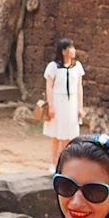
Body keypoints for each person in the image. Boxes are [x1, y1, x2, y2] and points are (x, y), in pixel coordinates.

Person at [43, 38, 84, 166]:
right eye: (71, 48)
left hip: (71, 102)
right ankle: (54, 162)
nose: (74, 51)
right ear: (64, 51)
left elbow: (79, 87)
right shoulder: (53, 66)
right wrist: (51, 105)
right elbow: (49, 86)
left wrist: (80, 106)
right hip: (58, 100)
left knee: (68, 134)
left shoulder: (77, 66)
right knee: (56, 134)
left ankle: (63, 162)